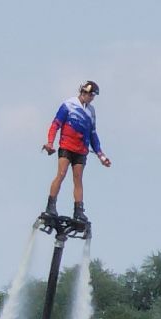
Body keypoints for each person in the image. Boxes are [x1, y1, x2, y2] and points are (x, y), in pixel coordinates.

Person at [41, 80, 111, 224]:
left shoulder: (91, 111)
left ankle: (78, 211)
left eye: (93, 96)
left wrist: (101, 155)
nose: (91, 98)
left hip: (81, 150)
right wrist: (50, 142)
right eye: (90, 95)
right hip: (67, 146)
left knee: (78, 179)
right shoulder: (69, 104)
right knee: (61, 174)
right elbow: (55, 124)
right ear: (84, 92)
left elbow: (93, 134)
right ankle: (51, 205)